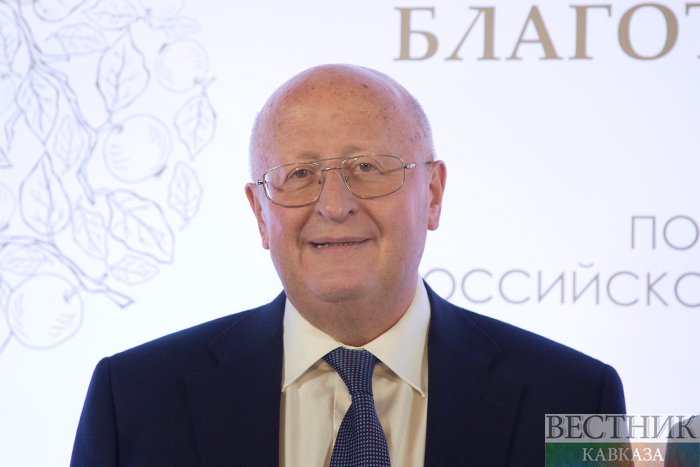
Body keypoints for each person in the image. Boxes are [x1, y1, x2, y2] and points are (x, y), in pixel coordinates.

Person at [70, 64, 626, 467]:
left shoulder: (579, 398)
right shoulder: (133, 400)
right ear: (260, 213)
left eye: (367, 167)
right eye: (298, 175)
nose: (334, 206)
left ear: (433, 194)